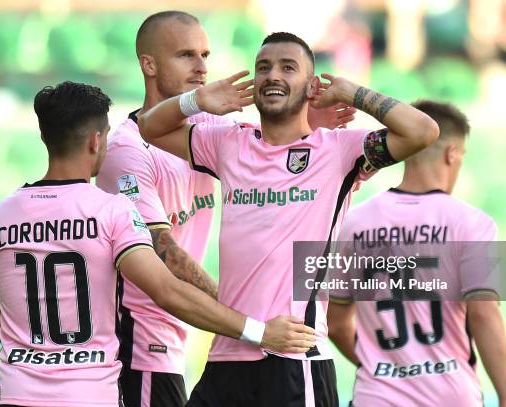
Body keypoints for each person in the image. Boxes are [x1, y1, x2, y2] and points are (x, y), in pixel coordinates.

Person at [137, 32, 438, 406]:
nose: (272, 75)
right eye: (263, 68)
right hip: (227, 356)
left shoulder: (339, 152)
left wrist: (350, 91)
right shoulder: (230, 143)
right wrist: (196, 99)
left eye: (287, 67)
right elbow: (149, 127)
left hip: (294, 360)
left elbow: (423, 131)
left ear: (312, 86)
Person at [0, 81, 316, 407]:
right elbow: (167, 291)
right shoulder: (111, 211)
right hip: (88, 394)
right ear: (97, 141)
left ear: (44, 137)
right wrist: (260, 332)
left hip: (14, 392)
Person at [95, 11, 355, 406]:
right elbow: (165, 254)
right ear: (148, 63)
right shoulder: (127, 151)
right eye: (186, 55)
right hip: (141, 338)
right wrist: (247, 316)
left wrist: (309, 121)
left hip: (198, 335)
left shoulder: (209, 130)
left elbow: (272, 153)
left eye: (205, 54)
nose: (201, 68)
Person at [327, 100, 506, 407]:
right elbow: (484, 314)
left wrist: (382, 366)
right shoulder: (470, 223)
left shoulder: (354, 223)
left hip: (376, 396)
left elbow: (334, 322)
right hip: (450, 396)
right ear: (452, 154)